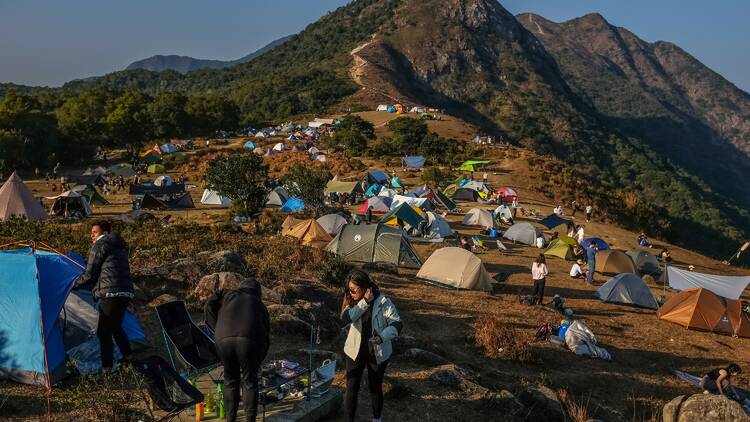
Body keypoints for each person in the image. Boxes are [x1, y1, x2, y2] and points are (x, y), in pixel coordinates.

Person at [205, 277, 270, 422]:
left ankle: (230, 420)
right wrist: (257, 361)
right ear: (257, 292)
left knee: (230, 380)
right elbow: (266, 337)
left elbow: (209, 304)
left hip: (222, 340)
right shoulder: (259, 304)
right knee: (250, 382)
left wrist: (215, 328)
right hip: (249, 341)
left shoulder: (228, 295)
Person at [341, 271, 402, 422]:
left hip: (378, 351)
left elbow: (397, 323)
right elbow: (347, 317)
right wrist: (364, 303)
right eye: (349, 289)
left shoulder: (383, 301)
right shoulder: (351, 300)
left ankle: (377, 419)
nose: (351, 292)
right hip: (354, 351)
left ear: (365, 288)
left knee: (375, 387)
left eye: (354, 289)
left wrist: (382, 337)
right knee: (351, 387)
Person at [73, 220, 134, 370]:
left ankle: (107, 368)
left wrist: (73, 285)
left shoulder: (100, 245)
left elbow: (90, 273)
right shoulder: (118, 246)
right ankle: (129, 358)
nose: (92, 235)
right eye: (91, 232)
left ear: (105, 233)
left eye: (95, 232)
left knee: (103, 332)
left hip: (110, 293)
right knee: (116, 327)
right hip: (125, 292)